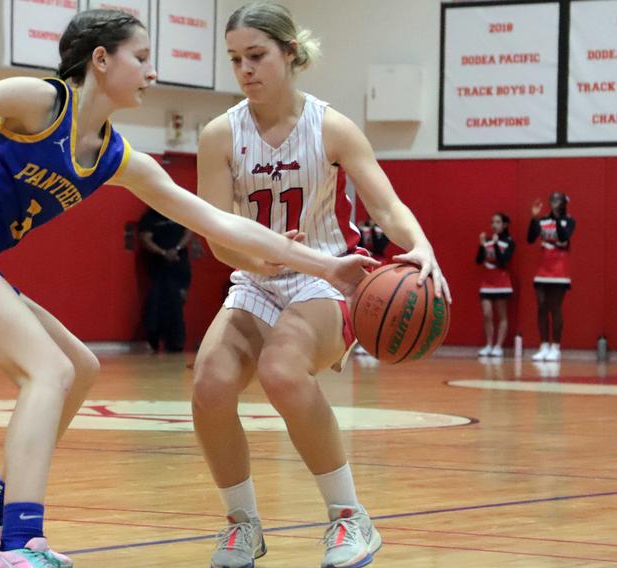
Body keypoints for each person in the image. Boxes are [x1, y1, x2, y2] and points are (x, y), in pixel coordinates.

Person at [0, 3, 379, 566]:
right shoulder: (41, 101)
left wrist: (325, 266)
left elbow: (220, 224)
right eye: (141, 58)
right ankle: (21, 544)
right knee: (49, 370)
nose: (152, 72)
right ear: (101, 59)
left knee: (79, 368)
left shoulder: (115, 155)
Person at [191, 3, 450, 568]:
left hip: (331, 276)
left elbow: (385, 204)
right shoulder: (219, 134)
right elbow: (217, 235)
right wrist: (255, 260)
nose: (245, 70)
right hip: (257, 280)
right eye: (235, 59)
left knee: (281, 372)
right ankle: (242, 525)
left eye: (256, 56)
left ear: (290, 52)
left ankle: (349, 517)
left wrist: (421, 245)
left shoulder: (330, 126)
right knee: (209, 384)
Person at [528, 192, 576, 362]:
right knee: (541, 306)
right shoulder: (543, 220)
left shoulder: (569, 220)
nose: (554, 202)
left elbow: (564, 236)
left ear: (563, 203)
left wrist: (555, 218)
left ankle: (555, 347)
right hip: (543, 269)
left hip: (559, 270)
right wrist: (534, 218)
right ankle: (543, 346)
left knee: (555, 307)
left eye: (557, 200)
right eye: (552, 200)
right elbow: (530, 238)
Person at [138, 207, 192, 352]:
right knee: (156, 304)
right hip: (159, 269)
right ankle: (154, 339)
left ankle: (176, 342)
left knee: (177, 303)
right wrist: (163, 253)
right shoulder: (150, 217)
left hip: (179, 267)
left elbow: (189, 232)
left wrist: (177, 248)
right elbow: (145, 238)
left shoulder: (179, 212)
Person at [475, 212, 515, 357]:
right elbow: (479, 260)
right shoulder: (488, 241)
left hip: (502, 283)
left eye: (497, 222)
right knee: (487, 314)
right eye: (492, 222)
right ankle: (489, 345)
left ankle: (498, 346)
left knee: (502, 315)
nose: (494, 225)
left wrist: (497, 244)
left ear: (504, 224)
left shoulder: (509, 242)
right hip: (487, 283)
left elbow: (504, 261)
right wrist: (481, 245)